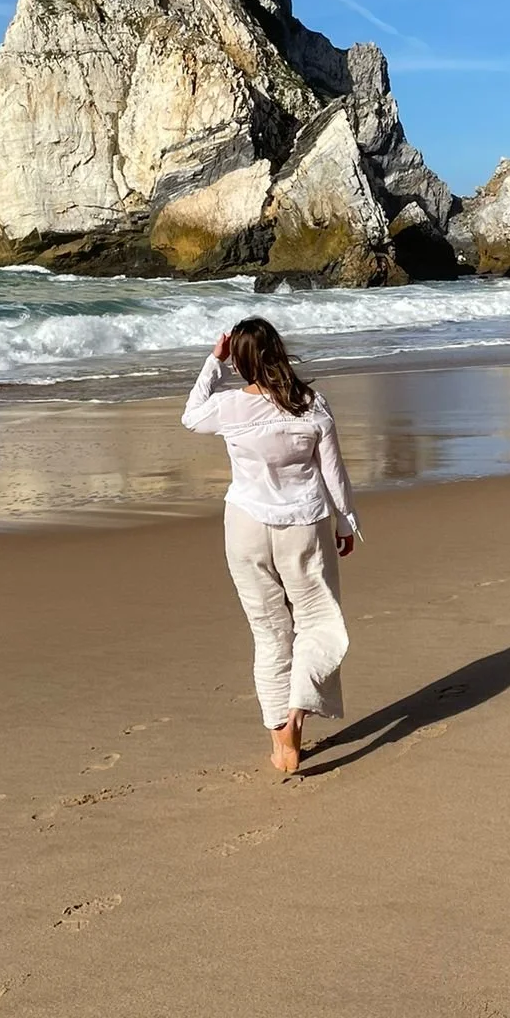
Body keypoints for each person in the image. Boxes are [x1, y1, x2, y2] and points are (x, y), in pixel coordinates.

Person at [181, 317, 358, 775]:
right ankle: (297, 714)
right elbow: (334, 472)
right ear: (279, 351)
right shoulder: (312, 404)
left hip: (245, 524)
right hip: (304, 523)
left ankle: (280, 738)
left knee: (268, 631)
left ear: (239, 361)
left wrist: (213, 362)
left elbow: (190, 415)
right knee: (317, 623)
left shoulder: (228, 406)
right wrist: (346, 520)